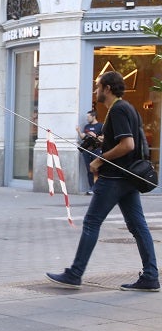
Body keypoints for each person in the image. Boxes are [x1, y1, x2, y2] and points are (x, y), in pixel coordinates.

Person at [47, 71, 158, 291]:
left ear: (107, 88)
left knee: (91, 223)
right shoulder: (128, 108)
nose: (96, 90)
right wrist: (102, 141)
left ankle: (75, 274)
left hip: (114, 177)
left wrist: (99, 160)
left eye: (98, 86)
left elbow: (128, 145)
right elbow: (125, 141)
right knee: (138, 226)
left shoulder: (117, 109)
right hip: (128, 178)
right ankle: (151, 276)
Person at [76, 108, 102, 194]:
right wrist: (79, 132)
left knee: (98, 169)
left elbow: (104, 138)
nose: (87, 119)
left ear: (93, 116)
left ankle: (99, 187)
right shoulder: (86, 127)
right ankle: (91, 188)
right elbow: (83, 137)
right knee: (89, 169)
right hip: (87, 150)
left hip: (96, 150)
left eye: (88, 117)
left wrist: (96, 136)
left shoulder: (100, 126)